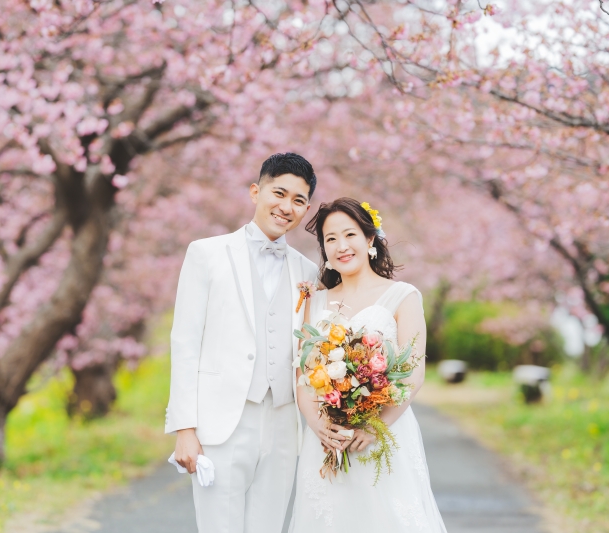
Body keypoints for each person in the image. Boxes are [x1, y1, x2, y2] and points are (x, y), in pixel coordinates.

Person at [165, 153, 347, 533]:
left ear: (306, 208)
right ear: (255, 191)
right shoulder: (207, 254)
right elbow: (184, 343)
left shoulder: (307, 271)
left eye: (298, 201)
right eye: (279, 193)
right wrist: (185, 429)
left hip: (283, 424)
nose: (286, 207)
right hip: (221, 423)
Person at [288, 197, 448, 532]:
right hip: (326, 438)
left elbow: (413, 372)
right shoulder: (312, 300)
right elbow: (302, 373)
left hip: (382, 433)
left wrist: (375, 426)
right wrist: (317, 424)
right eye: (330, 239)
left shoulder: (403, 296)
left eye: (350, 235)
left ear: (370, 239)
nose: (341, 246)